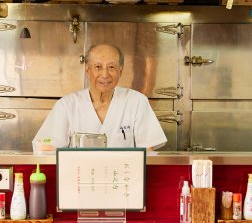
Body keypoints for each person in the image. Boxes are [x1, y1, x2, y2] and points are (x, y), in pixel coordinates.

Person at [32, 43, 167, 152]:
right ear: (88, 71)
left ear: (120, 71)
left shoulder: (137, 102)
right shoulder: (66, 106)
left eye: (111, 67)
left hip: (124, 181)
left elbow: (148, 152)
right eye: (98, 67)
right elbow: (47, 150)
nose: (105, 74)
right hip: (79, 180)